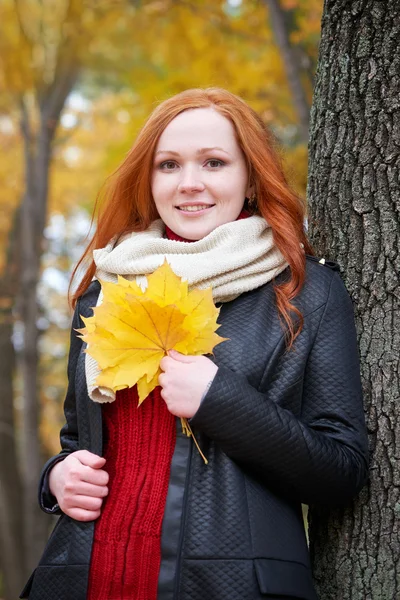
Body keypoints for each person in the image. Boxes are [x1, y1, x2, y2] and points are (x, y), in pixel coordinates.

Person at [20, 88, 368, 600]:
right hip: (85, 578)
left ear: (249, 178)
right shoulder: (105, 291)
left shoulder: (305, 292)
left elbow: (341, 472)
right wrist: (57, 478)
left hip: (224, 585)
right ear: (149, 179)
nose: (189, 184)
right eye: (168, 165)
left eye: (214, 162)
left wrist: (219, 400)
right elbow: (79, 441)